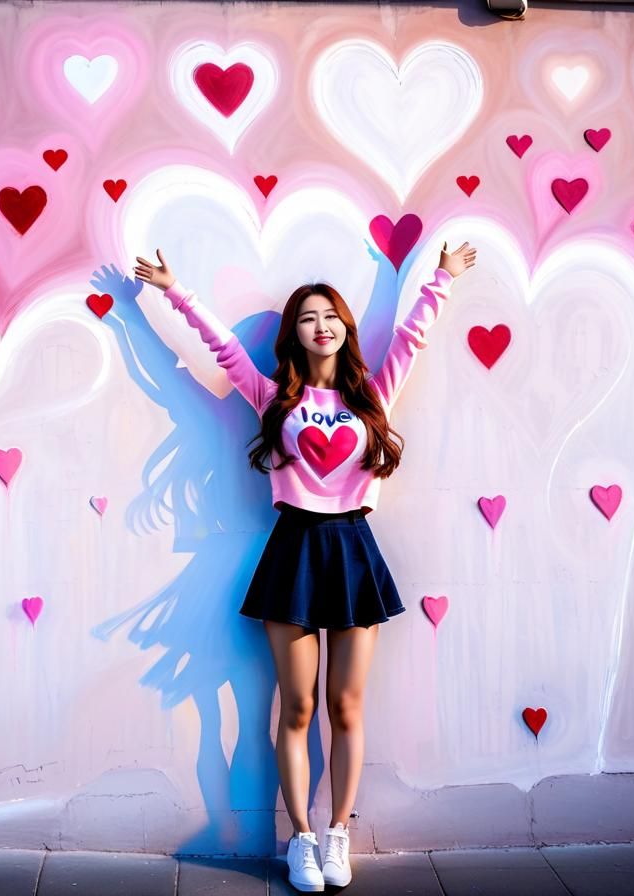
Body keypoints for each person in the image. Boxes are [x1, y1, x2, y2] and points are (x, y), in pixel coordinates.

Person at [133, 240, 475, 892]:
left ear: (345, 328)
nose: (322, 325)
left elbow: (411, 339)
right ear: (295, 332)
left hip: (352, 553)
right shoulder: (272, 397)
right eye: (309, 317)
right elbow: (213, 350)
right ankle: (302, 840)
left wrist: (439, 279)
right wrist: (173, 290)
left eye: (332, 316)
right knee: (294, 707)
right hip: (292, 551)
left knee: (345, 706)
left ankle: (339, 832)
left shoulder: (373, 395)